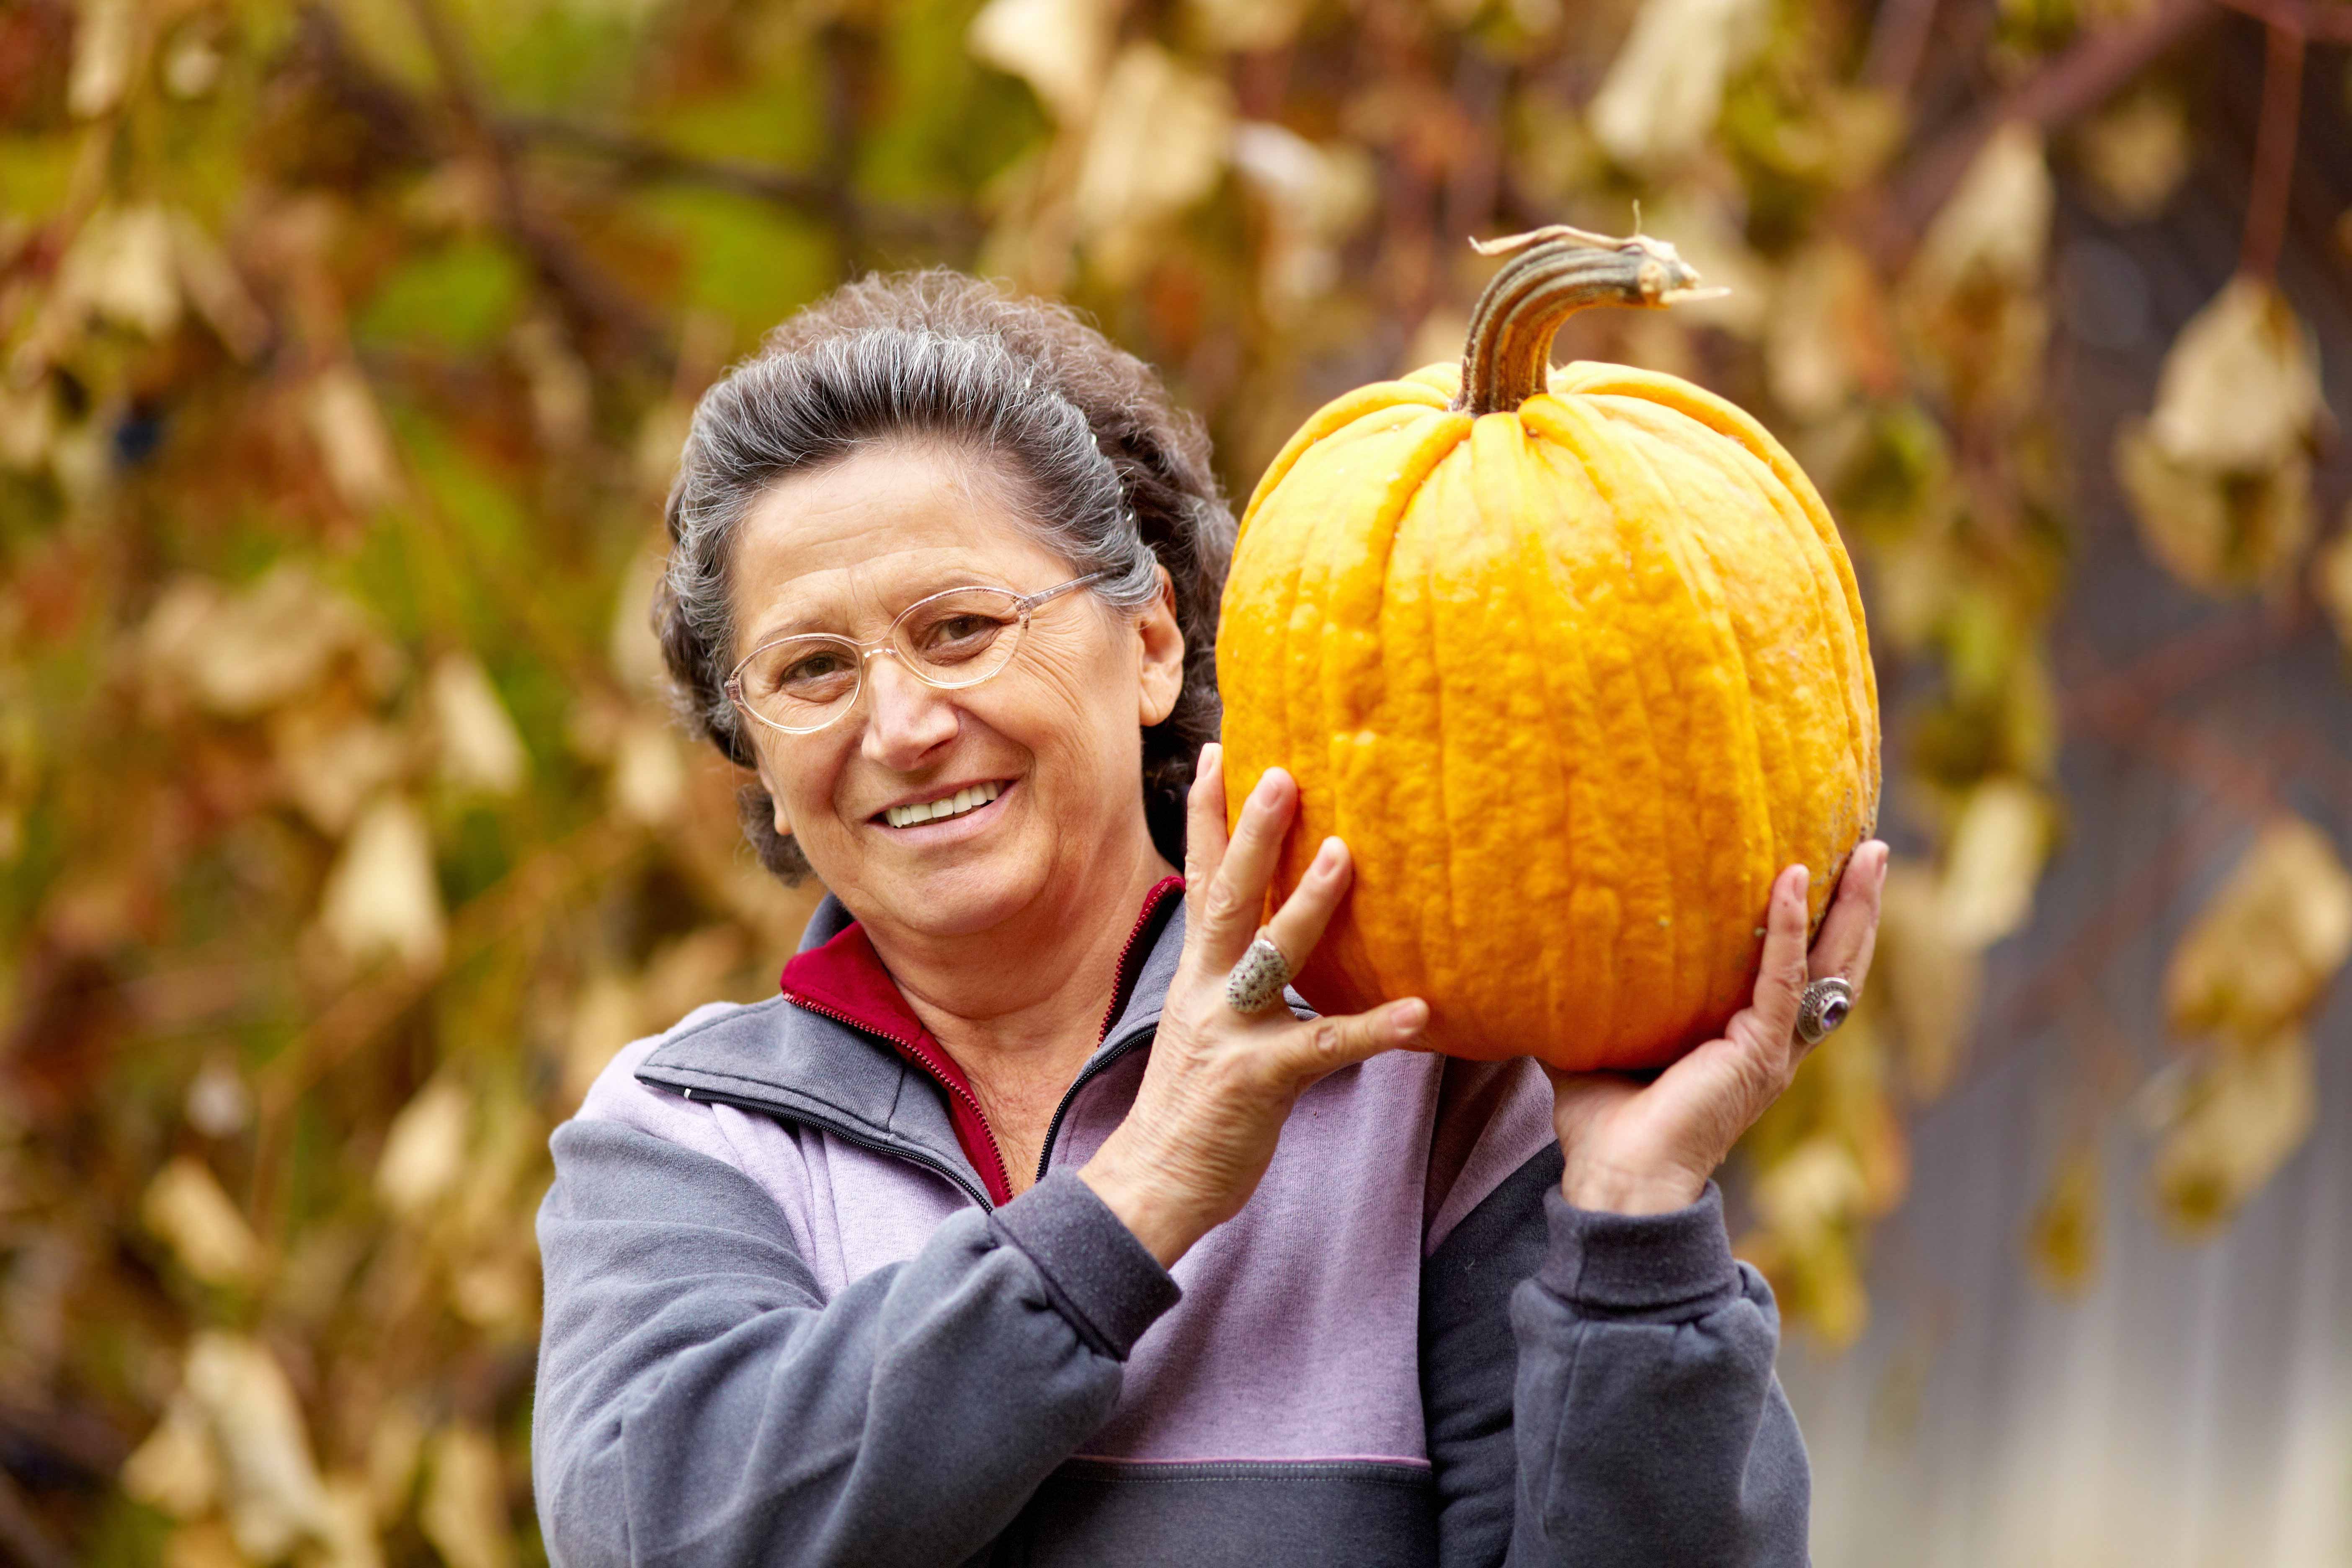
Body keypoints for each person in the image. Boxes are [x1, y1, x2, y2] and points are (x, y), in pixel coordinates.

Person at [531, 271, 1888, 1568]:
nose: (901, 726)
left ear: (1157, 645)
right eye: (813, 669)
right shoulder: (686, 1132)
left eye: (959, 630)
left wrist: (1638, 1226)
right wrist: (1140, 1197)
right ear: (751, 750)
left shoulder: (1419, 1082)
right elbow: (662, 1530)